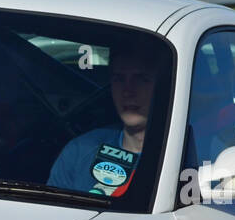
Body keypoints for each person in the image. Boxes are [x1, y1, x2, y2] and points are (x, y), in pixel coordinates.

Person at [46, 47, 157, 197]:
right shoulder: (80, 150)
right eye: (119, 79)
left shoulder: (185, 154)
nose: (128, 91)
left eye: (141, 79)